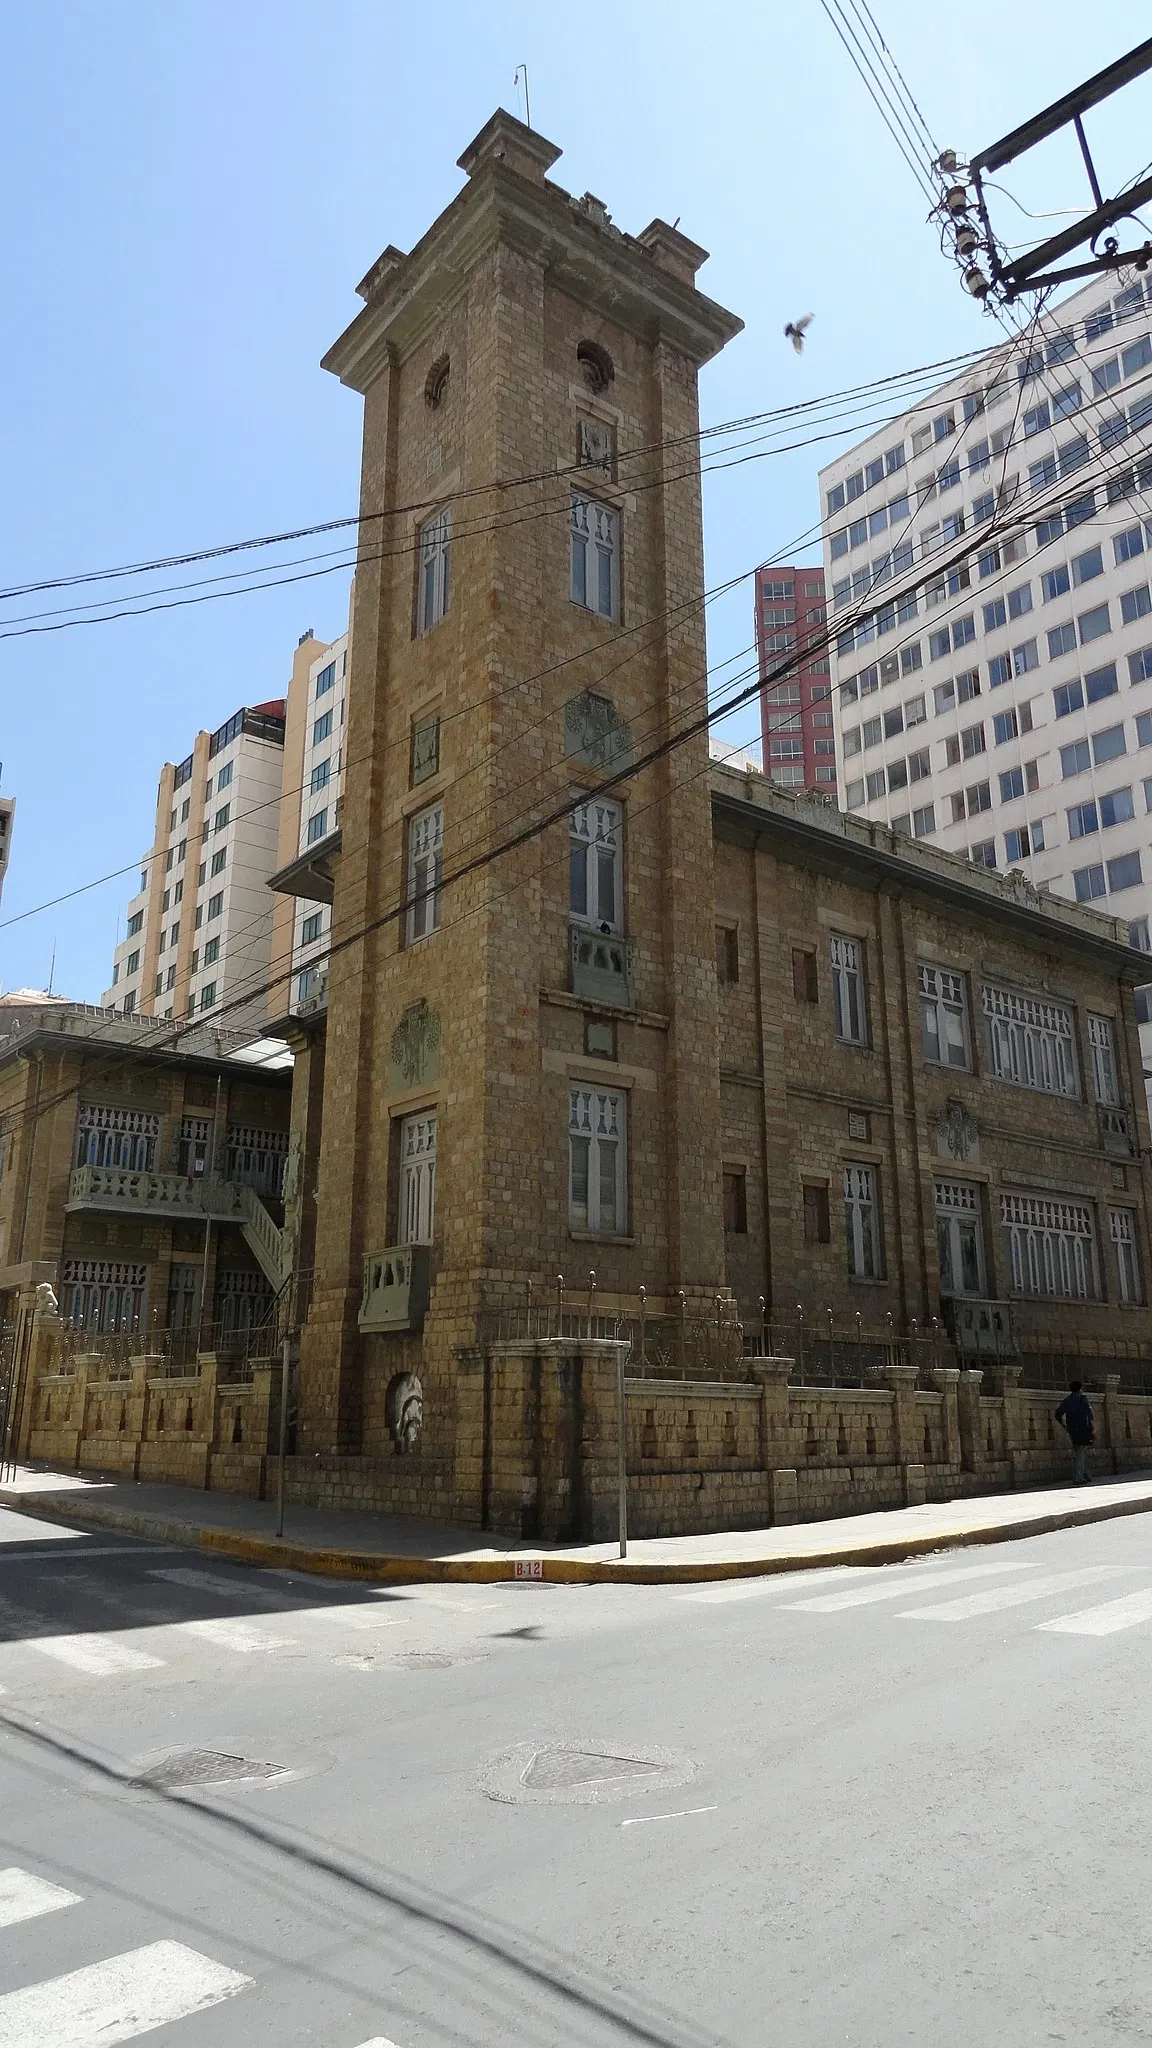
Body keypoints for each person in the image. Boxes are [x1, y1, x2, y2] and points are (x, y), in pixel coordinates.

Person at [1055, 1380, 1096, 1485]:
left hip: (1072, 1430)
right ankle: (1078, 1477)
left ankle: (1086, 1475)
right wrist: (1093, 1429)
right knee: (1081, 1453)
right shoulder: (1083, 1399)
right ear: (1080, 1389)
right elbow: (1090, 1415)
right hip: (1083, 1429)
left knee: (1080, 1452)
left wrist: (1064, 1426)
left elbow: (1057, 1414)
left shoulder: (1067, 1400)